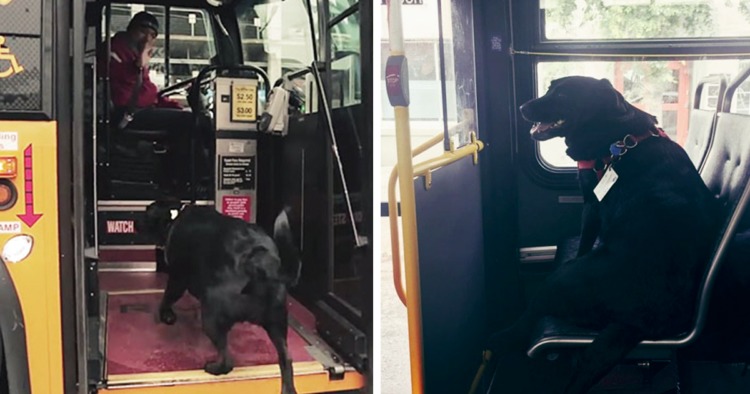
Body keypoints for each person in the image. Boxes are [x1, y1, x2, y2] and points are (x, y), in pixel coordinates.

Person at [99, 11, 210, 193]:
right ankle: (195, 181)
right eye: (143, 31)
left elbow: (147, 91)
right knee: (191, 123)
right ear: (131, 29)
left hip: (138, 110)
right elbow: (127, 88)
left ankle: (173, 179)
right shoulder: (115, 50)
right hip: (125, 114)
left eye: (152, 35)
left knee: (189, 120)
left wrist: (174, 106)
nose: (147, 38)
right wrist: (138, 64)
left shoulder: (134, 53)